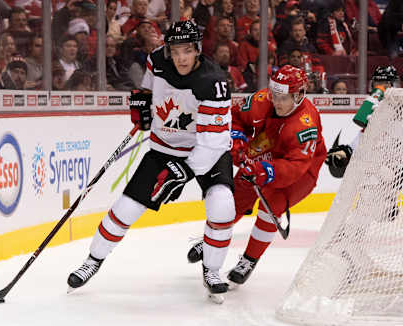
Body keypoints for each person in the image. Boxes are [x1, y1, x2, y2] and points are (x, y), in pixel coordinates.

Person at [67, 20, 236, 302]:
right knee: (126, 208)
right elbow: (147, 90)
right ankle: (92, 261)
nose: (180, 58)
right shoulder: (156, 60)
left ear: (197, 49)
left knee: (222, 205)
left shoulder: (213, 82)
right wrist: (142, 107)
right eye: (175, 51)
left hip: (206, 152)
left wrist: (183, 171)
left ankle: (212, 270)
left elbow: (213, 143)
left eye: (187, 51)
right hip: (163, 148)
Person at [187, 65, 327, 287]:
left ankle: (249, 260)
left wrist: (266, 171)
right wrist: (238, 138)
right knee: (235, 198)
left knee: (269, 208)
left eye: (284, 98)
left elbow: (296, 166)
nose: (277, 102)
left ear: (299, 95)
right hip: (266, 151)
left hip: (300, 171)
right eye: (275, 95)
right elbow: (234, 116)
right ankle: (212, 241)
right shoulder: (263, 99)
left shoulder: (304, 124)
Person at [326, 66, 398, 178]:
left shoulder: (399, 112)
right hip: (377, 177)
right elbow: (363, 139)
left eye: (385, 83)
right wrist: (346, 152)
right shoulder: (374, 111)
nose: (381, 87)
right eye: (378, 82)